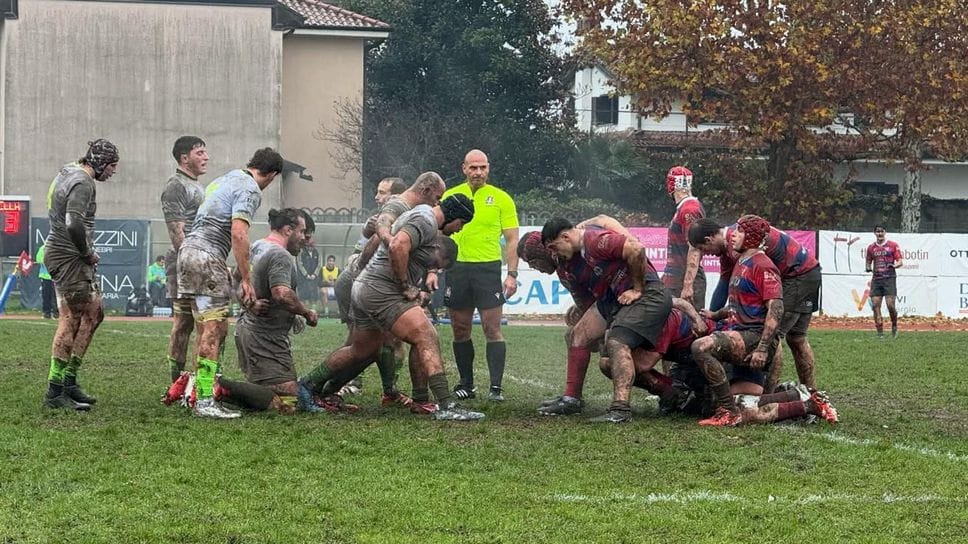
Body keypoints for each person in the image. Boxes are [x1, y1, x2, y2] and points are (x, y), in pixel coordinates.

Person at [298, 195, 484, 421]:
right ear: (456, 217)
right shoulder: (426, 220)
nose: (457, 230)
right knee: (426, 335)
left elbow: (382, 237)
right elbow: (397, 245)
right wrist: (404, 286)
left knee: (362, 350)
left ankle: (307, 386)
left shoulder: (420, 214)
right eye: (461, 224)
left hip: (366, 285)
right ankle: (445, 405)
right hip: (381, 289)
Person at [175, 147, 283, 418]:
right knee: (215, 329)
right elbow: (239, 232)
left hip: (188, 252)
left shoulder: (223, 179)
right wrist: (247, 279)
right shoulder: (250, 189)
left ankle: (195, 393)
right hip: (206, 254)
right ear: (271, 175)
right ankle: (206, 402)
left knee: (204, 329)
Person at [542, 217, 673, 423]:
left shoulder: (594, 241)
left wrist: (638, 288)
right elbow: (603, 219)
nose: (553, 253)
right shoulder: (575, 257)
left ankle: (621, 410)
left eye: (553, 247)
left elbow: (636, 248)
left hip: (647, 294)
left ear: (565, 236)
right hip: (614, 298)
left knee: (616, 343)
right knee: (578, 335)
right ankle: (571, 399)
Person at [333, 172, 446, 406]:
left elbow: (373, 232)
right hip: (362, 278)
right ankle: (329, 387)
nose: (377, 197)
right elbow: (380, 233)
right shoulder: (399, 204)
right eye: (437, 197)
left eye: (381, 192)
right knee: (362, 343)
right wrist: (390, 240)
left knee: (383, 340)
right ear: (424, 190)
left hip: (364, 278)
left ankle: (388, 391)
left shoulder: (406, 208)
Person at [688, 216, 822, 390]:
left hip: (797, 275)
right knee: (797, 338)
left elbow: (742, 291)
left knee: (772, 335)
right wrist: (712, 316)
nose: (706, 254)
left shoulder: (736, 245)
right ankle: (812, 394)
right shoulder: (734, 243)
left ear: (709, 239)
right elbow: (724, 285)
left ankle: (768, 393)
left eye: (703, 249)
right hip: (807, 270)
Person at [42, 139, 120, 410]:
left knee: (94, 313)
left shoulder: (68, 171)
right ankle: (55, 390)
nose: (113, 171)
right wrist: (86, 252)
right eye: (112, 165)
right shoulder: (84, 181)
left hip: (66, 253)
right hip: (69, 256)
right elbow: (73, 223)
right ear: (99, 163)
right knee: (72, 317)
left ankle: (69, 381)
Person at [216, 208, 319, 412]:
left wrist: (248, 302)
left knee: (274, 392)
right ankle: (215, 387)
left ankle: (223, 390)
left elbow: (236, 280)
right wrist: (305, 312)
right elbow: (282, 293)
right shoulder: (280, 255)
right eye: (302, 232)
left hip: (251, 332)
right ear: (288, 230)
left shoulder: (256, 246)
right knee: (290, 400)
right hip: (264, 338)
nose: (305, 239)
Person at [689, 215, 785, 427]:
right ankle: (796, 397)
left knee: (700, 347)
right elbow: (737, 305)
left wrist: (762, 348)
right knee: (724, 400)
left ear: (750, 237)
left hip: (753, 336)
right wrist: (715, 315)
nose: (733, 235)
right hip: (741, 332)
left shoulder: (763, 265)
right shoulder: (742, 261)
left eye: (740, 232)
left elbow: (776, 309)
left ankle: (728, 412)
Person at [443, 149, 520, 402]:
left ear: (488, 169)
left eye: (483, 167)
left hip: (488, 269)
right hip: (457, 269)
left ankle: (496, 387)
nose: (478, 172)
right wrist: (433, 269)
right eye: (473, 167)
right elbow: (439, 235)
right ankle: (467, 384)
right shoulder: (450, 195)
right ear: (464, 168)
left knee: (492, 327)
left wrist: (511, 274)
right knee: (460, 328)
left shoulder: (501, 198)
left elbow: (511, 239)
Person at [160, 135, 208, 384]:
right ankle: (176, 383)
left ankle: (201, 380)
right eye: (200, 152)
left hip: (200, 259)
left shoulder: (197, 185)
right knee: (183, 324)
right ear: (184, 157)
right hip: (184, 263)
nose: (206, 157)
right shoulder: (176, 185)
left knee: (203, 323)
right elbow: (176, 230)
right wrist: (190, 262)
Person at [664, 166, 707, 309]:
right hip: (676, 279)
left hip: (684, 281)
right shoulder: (686, 207)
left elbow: (694, 248)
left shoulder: (689, 210)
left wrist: (688, 285)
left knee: (688, 327)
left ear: (671, 185)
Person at [865, 225, 903, 338]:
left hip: (889, 278)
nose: (880, 234)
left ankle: (894, 326)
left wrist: (894, 265)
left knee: (890, 305)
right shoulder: (871, 248)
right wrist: (868, 267)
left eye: (882, 231)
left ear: (885, 232)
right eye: (877, 231)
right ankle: (880, 333)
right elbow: (868, 261)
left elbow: (900, 261)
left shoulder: (892, 245)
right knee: (876, 306)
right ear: (874, 233)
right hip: (876, 279)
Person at [295, 238, 321, 308]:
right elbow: (300, 264)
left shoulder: (317, 252)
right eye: (309, 246)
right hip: (303, 278)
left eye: (312, 246)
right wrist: (306, 274)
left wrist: (315, 274)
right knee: (303, 295)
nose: (310, 248)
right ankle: (304, 309)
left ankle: (313, 309)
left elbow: (319, 264)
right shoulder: (301, 252)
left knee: (313, 295)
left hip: (313, 278)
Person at [35, 243, 58, 319]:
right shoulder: (43, 248)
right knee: (46, 296)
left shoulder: (58, 248)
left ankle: (56, 313)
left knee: (56, 296)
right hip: (45, 277)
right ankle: (46, 313)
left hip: (56, 277)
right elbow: (39, 259)